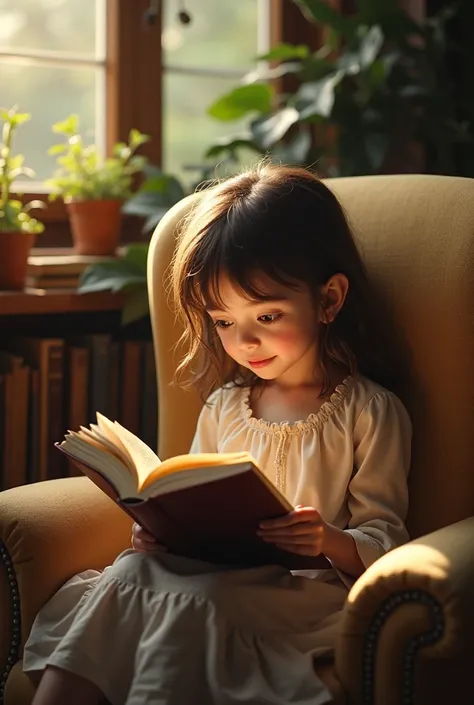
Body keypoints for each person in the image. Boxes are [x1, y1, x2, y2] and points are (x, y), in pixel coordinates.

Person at [24, 163, 412, 705]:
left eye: (268, 316)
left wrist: (327, 539)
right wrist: (158, 528)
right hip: (211, 573)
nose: (245, 341)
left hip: (297, 595)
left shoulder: (369, 412)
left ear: (328, 300)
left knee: (194, 601)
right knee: (129, 571)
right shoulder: (226, 406)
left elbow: (387, 540)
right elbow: (191, 491)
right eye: (224, 322)